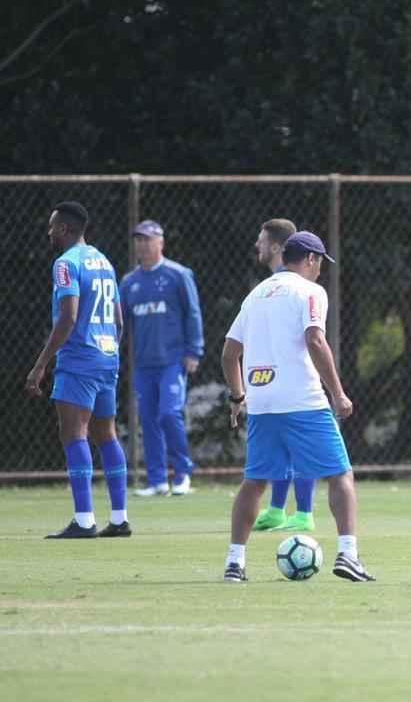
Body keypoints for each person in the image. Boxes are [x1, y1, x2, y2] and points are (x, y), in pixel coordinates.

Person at [220, 231, 373, 582]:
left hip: (261, 402)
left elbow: (229, 353)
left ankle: (234, 562)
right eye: (320, 263)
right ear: (310, 259)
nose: (320, 271)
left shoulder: (255, 294)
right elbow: (315, 340)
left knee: (255, 482)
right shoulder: (310, 291)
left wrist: (238, 397)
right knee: (340, 474)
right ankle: (348, 555)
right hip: (302, 400)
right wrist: (338, 393)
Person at [25, 202, 131, 538]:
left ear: (66, 229)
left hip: (79, 359)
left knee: (74, 434)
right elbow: (118, 319)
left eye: (53, 226)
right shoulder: (103, 261)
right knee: (107, 433)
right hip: (106, 355)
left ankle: (84, 519)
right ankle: (119, 518)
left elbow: (68, 317)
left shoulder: (65, 264)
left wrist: (40, 364)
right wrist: (110, 350)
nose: (49, 232)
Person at [120, 220, 203, 497]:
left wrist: (194, 351)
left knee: (169, 414)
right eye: (139, 239)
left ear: (161, 242)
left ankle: (182, 473)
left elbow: (193, 313)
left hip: (172, 360)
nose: (143, 244)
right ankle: (157, 480)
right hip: (144, 364)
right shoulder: (129, 282)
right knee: (148, 419)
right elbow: (121, 323)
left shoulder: (177, 275)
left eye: (148, 239)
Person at [248, 218, 318, 532]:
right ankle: (277, 509)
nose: (257, 246)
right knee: (280, 449)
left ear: (278, 247)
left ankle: (303, 513)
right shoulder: (264, 290)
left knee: (299, 449)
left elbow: (313, 338)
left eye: (261, 240)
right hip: (269, 384)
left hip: (297, 385)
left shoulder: (301, 289)